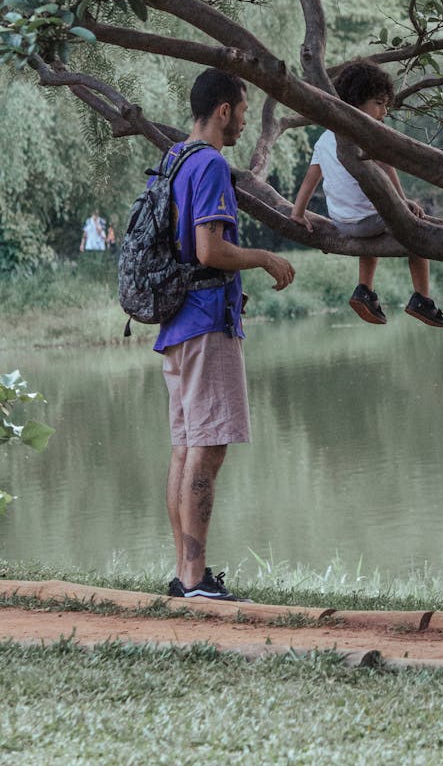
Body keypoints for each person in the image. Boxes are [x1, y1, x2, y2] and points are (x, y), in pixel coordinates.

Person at [157, 68, 295, 601]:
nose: (243, 119)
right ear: (223, 109)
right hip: (206, 319)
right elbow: (209, 250)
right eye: (242, 109)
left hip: (174, 323)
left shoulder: (174, 158)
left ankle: (184, 573)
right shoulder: (210, 164)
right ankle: (195, 579)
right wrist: (262, 257)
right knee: (207, 451)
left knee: (185, 448)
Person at [290, 59, 443, 328]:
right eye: (379, 103)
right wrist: (403, 203)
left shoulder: (325, 137)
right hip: (370, 220)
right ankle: (422, 298)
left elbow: (310, 179)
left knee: (374, 206)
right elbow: (388, 169)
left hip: (343, 222)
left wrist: (298, 212)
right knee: (418, 231)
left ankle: (364, 289)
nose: (384, 112)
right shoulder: (369, 135)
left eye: (386, 105)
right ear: (355, 100)